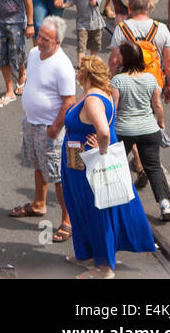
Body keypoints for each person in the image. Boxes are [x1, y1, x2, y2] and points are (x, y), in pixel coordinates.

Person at [60, 55, 155, 278]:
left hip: (88, 167)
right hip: (79, 164)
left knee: (95, 213)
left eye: (79, 69)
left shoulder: (93, 99)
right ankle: (87, 255)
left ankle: (103, 268)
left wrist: (101, 150)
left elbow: (103, 130)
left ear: (86, 73)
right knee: (81, 210)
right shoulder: (101, 93)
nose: (76, 72)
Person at [10, 16, 75, 246]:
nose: (39, 41)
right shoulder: (35, 54)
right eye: (39, 36)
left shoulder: (63, 65)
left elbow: (69, 101)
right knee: (38, 164)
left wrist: (55, 127)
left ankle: (68, 220)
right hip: (31, 123)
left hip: (50, 128)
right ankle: (39, 203)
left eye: (46, 39)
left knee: (58, 176)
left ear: (58, 41)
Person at [112, 39, 170, 222]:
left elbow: (113, 109)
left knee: (117, 166)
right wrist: (160, 123)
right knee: (154, 167)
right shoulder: (150, 78)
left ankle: (121, 205)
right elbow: (157, 105)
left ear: (125, 59)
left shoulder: (118, 80)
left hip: (124, 130)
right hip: (148, 129)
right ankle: (164, 204)